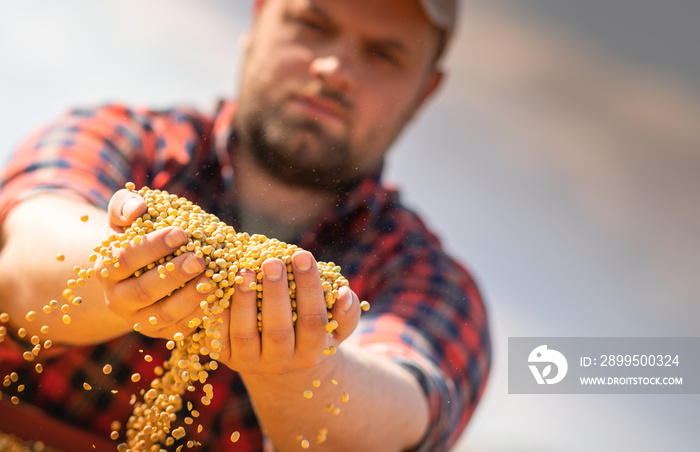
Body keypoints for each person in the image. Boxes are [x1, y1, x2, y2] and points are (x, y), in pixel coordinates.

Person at [0, 0, 490, 450]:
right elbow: (22, 247)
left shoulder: (426, 280)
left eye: (383, 54)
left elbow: (404, 411)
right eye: (312, 25)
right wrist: (126, 264)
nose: (334, 69)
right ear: (259, 20)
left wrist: (300, 370)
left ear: (425, 90)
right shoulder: (131, 143)